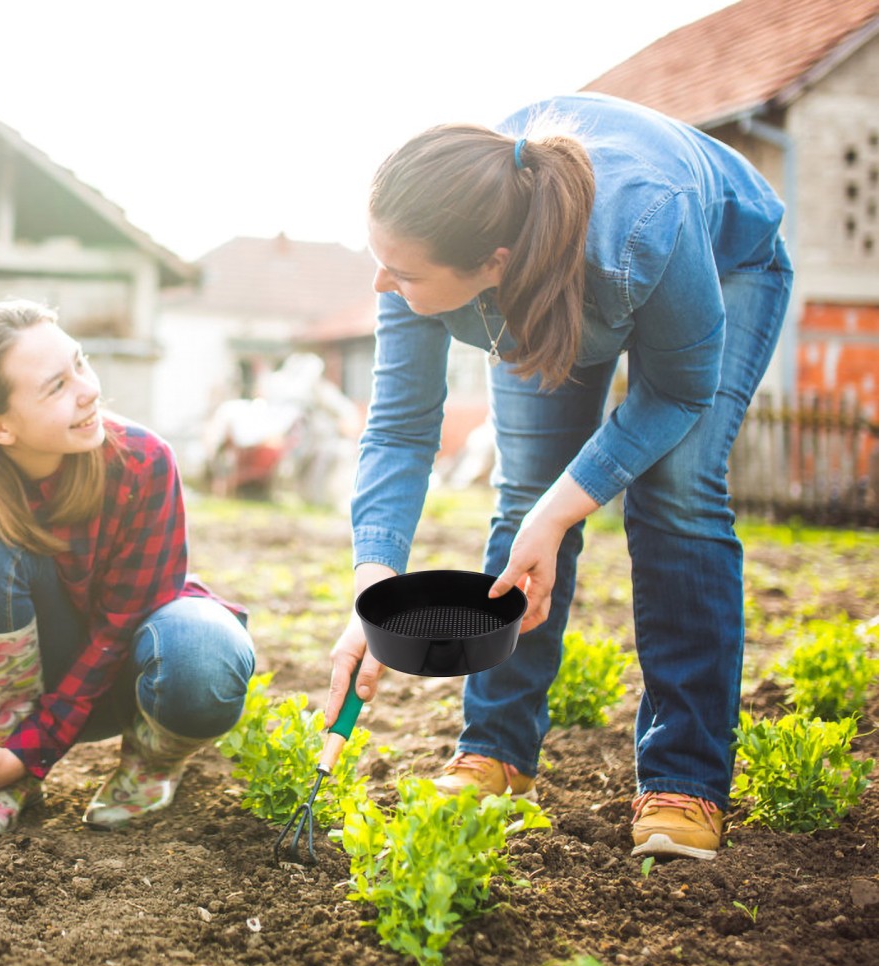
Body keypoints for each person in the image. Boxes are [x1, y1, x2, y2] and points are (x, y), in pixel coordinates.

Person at [325, 93, 793, 861]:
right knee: (526, 489)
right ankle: (498, 752)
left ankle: (685, 778)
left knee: (675, 492)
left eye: (400, 271)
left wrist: (560, 515)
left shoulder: (644, 224)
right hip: (545, 273)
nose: (382, 283)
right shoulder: (424, 254)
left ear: (491, 266)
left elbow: (677, 392)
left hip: (723, 259)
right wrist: (373, 598)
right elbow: (401, 430)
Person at [0, 300, 255, 834]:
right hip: (32, 683)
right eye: (56, 387)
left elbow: (118, 630)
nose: (89, 389)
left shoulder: (142, 462)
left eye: (80, 363)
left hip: (136, 674)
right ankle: (9, 772)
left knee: (202, 656)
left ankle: (150, 766)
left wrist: (32, 751)